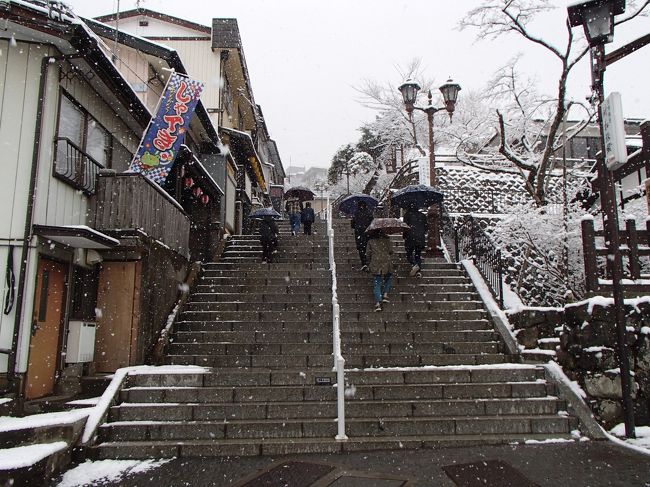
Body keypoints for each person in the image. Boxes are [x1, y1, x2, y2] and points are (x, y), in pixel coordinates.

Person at [366, 229, 393, 312]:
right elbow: (391, 251)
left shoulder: (371, 241)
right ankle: (385, 294)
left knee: (377, 282)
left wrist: (369, 263)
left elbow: (368, 254)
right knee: (388, 277)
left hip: (375, 262)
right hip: (386, 262)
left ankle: (378, 303)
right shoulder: (387, 240)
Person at [403, 207, 428, 277]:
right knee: (418, 255)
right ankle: (418, 272)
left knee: (409, 254)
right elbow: (426, 227)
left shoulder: (407, 215)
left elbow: (405, 227)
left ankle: (414, 265)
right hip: (420, 238)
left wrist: (404, 236)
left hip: (410, 237)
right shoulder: (423, 215)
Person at [350, 200, 374, 270]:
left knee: (361, 248)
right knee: (369, 247)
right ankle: (369, 262)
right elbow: (372, 222)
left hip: (359, 233)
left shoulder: (356, 213)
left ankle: (364, 263)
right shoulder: (369, 213)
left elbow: (352, 225)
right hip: (368, 233)